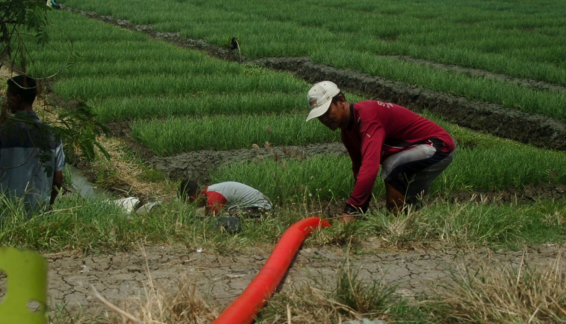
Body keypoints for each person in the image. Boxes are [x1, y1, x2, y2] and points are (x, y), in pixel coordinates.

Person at [306, 81, 455, 223]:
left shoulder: (367, 116)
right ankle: (405, 227)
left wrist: (351, 210)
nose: (325, 119)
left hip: (437, 145)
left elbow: (370, 168)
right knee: (410, 206)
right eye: (320, 117)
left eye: (327, 111)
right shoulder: (347, 133)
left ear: (341, 100)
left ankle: (394, 228)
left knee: (392, 167)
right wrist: (359, 209)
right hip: (417, 150)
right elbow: (359, 169)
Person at [0, 75, 65, 215]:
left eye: (8, 96)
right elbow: (58, 180)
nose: (7, 101)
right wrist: (50, 205)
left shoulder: (1, 133)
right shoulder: (52, 135)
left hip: (9, 215)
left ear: (17, 98)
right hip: (40, 216)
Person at [179, 180, 272, 216]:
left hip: (261, 208)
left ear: (192, 198)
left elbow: (211, 220)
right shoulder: (210, 192)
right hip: (262, 205)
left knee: (227, 216)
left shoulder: (213, 197)